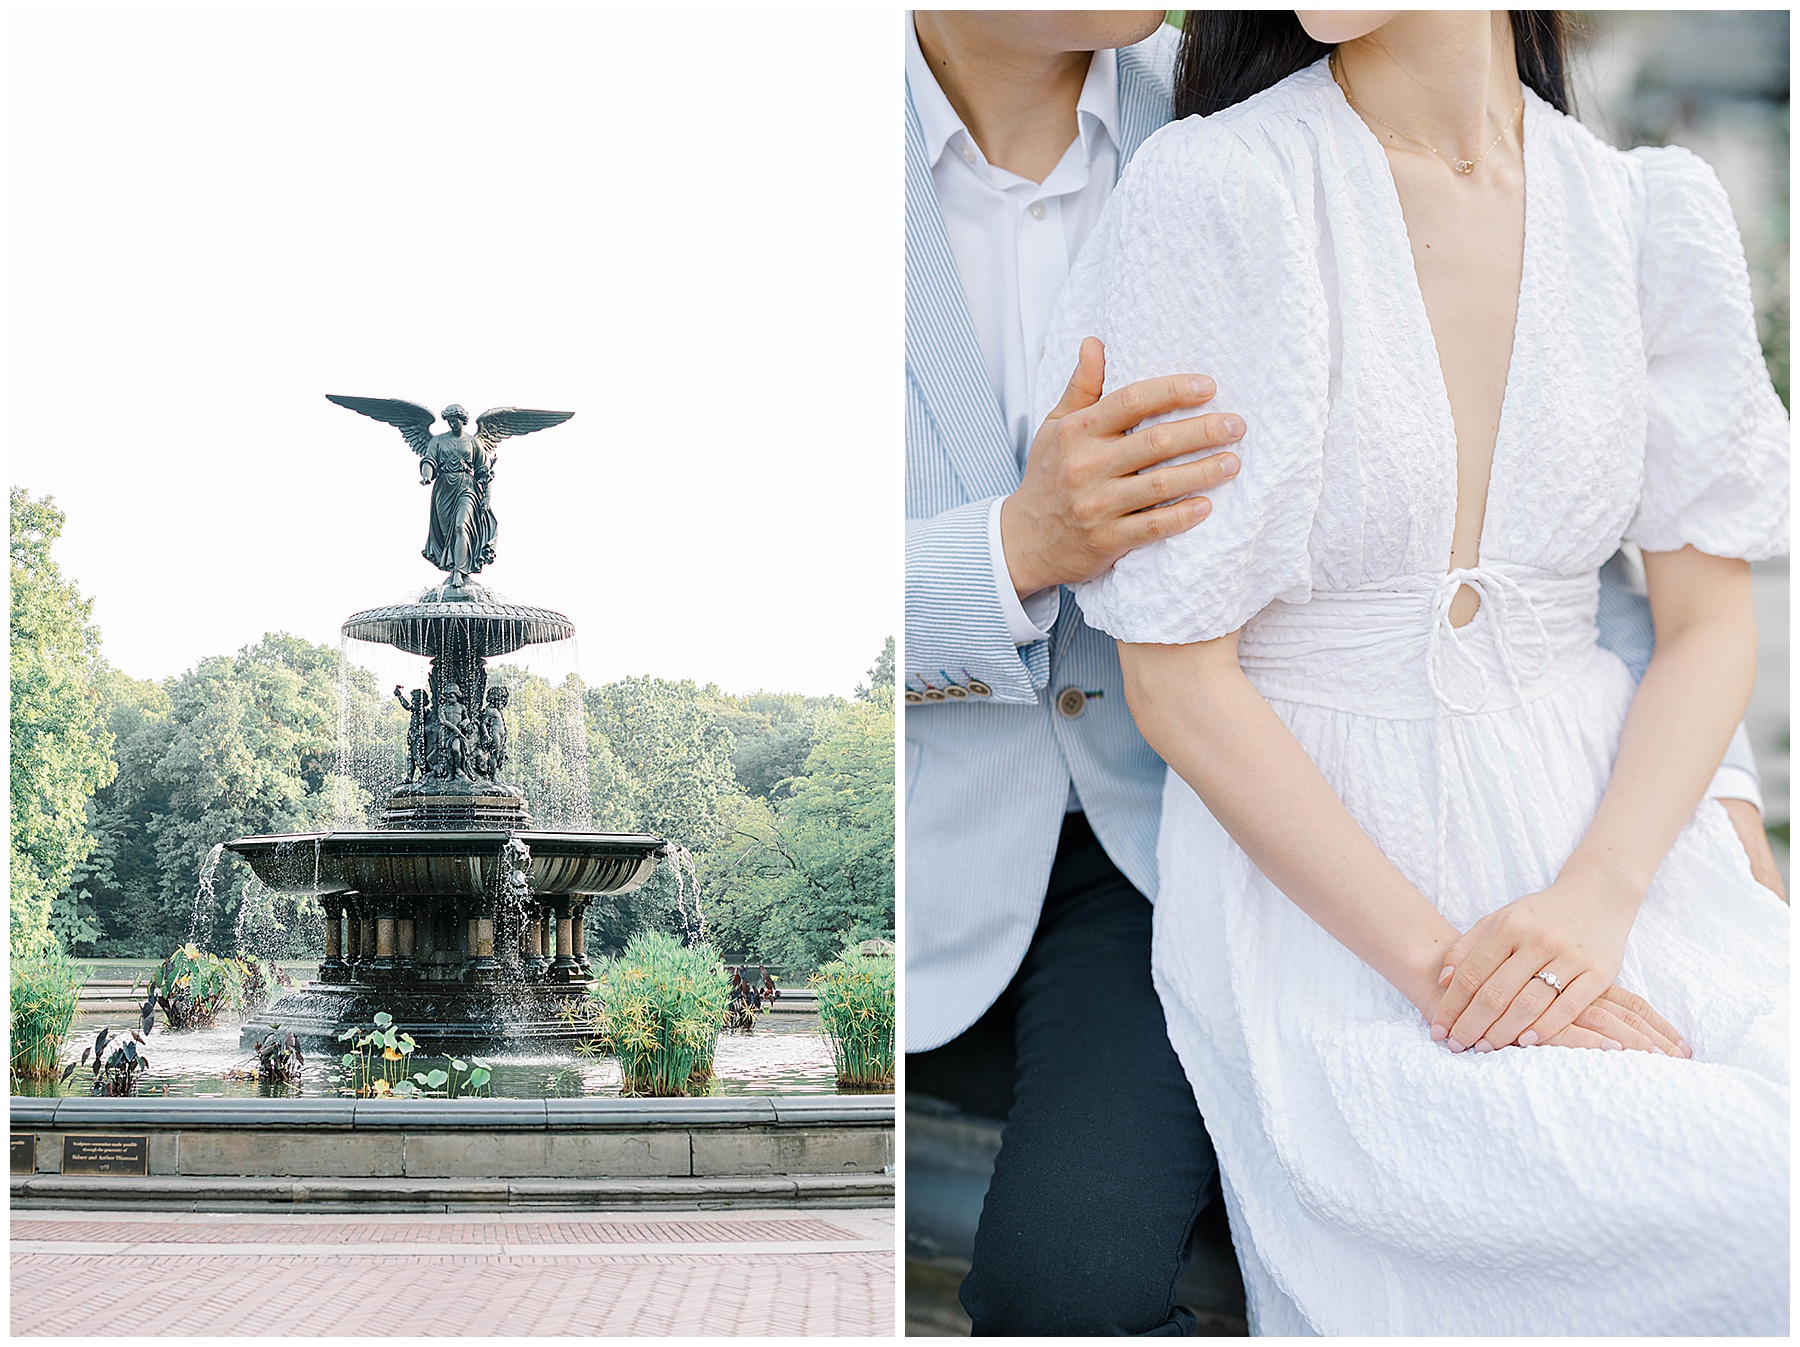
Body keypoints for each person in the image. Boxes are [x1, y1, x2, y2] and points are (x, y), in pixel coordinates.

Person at [1038, 9, 1787, 1334]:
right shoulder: (1221, 191)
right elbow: (1177, 682)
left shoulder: (1644, 213)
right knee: (1743, 1202)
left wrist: (1601, 899)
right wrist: (1462, 977)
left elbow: (1710, 622)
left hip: (1618, 847)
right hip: (1343, 909)